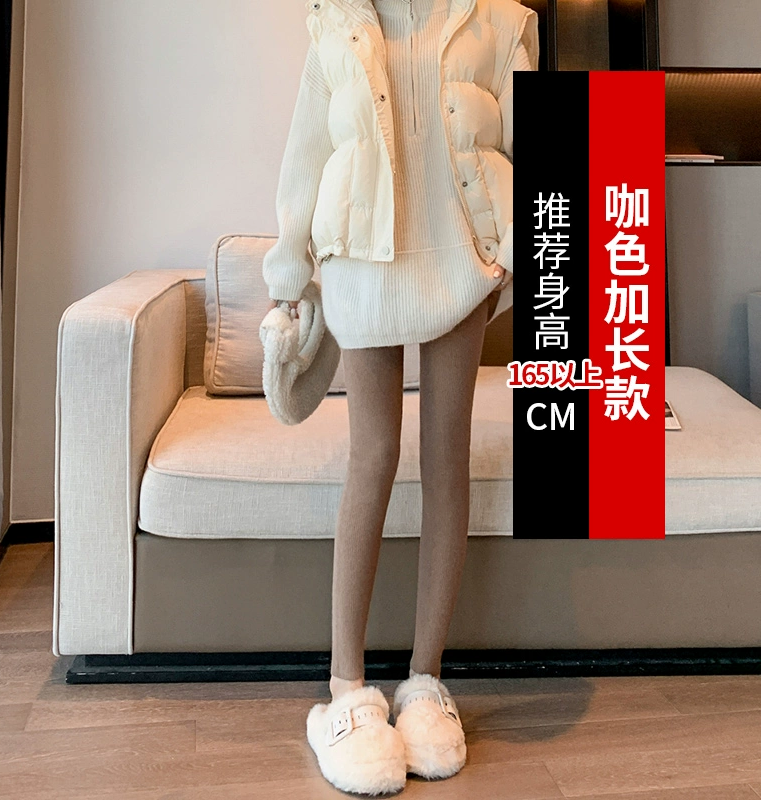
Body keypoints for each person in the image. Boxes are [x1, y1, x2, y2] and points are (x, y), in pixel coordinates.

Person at [262, 0, 536, 794]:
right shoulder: (334, 20)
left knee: (446, 452)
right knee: (373, 454)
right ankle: (346, 689)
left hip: (463, 257)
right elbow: (307, 152)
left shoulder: (503, 20)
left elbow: (531, 148)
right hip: (359, 259)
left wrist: (522, 251)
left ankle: (424, 680)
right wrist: (288, 272)